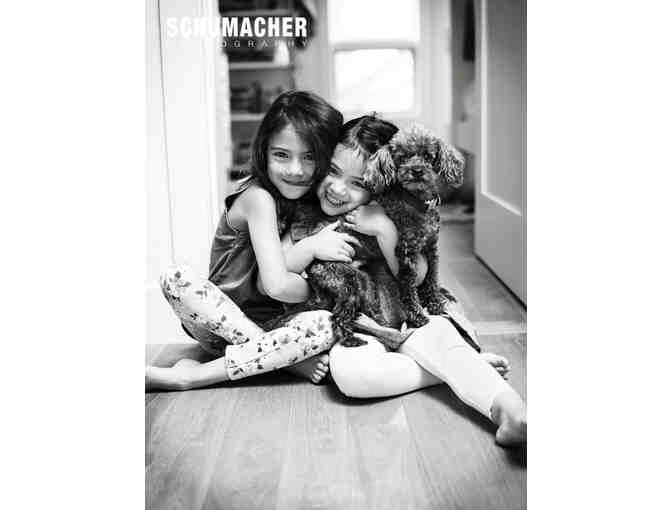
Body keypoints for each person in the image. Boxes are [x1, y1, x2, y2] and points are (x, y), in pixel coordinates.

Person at [147, 90, 353, 387]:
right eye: (281, 155)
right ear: (263, 152)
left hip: (277, 328)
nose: (296, 170)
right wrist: (321, 282)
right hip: (220, 322)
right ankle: (201, 375)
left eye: (310, 157)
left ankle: (271, 358)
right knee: (176, 278)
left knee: (326, 324)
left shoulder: (311, 202)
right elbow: (277, 285)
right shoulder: (258, 198)